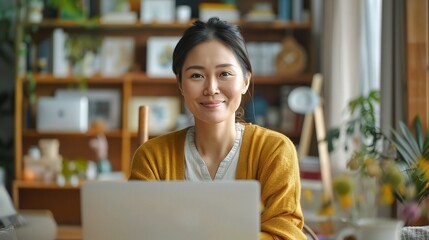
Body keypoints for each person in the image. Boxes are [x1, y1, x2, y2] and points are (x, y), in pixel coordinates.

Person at [130, 17, 305, 239]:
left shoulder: (274, 151)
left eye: (224, 74)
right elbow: (137, 231)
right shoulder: (152, 157)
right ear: (180, 84)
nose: (211, 88)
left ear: (245, 80)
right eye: (196, 75)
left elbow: (286, 234)